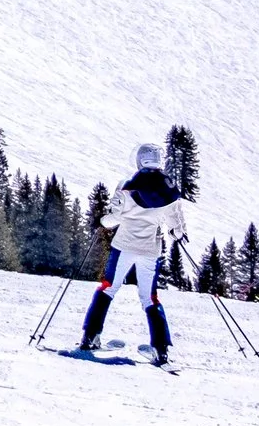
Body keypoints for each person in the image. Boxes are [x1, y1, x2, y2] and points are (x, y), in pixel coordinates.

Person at [78, 141, 189, 366]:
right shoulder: (168, 189)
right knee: (150, 298)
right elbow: (176, 226)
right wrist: (178, 234)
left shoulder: (126, 185)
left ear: (140, 160)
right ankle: (161, 350)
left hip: (124, 247)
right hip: (150, 250)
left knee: (108, 289)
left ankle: (90, 337)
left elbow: (113, 219)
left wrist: (102, 221)